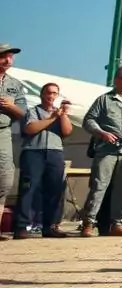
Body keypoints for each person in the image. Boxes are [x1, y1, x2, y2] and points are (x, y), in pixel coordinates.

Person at [80, 66, 122, 237]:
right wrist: (102, 133)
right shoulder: (104, 100)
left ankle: (116, 223)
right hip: (106, 151)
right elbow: (88, 120)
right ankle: (88, 223)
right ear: (116, 79)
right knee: (99, 186)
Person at [15, 83, 73, 238]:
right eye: (49, 93)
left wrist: (64, 115)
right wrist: (52, 118)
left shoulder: (59, 113)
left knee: (54, 190)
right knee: (29, 189)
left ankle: (50, 226)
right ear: (42, 94)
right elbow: (30, 128)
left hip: (55, 152)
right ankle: (21, 226)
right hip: (34, 152)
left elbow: (67, 131)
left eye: (55, 93)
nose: (51, 96)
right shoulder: (33, 111)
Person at [0, 42, 29, 242]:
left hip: (3, 132)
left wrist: (10, 106)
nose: (8, 60)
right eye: (4, 55)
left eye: (11, 56)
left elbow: (23, 114)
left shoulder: (15, 84)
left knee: (5, 177)